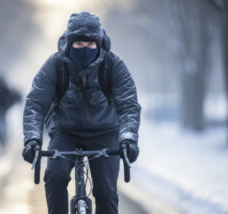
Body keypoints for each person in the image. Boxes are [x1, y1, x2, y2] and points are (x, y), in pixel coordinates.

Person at [22, 12, 141, 214]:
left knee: (106, 192)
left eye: (90, 44)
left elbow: (128, 104)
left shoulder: (113, 65)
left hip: (105, 133)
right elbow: (35, 103)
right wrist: (32, 138)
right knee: (55, 177)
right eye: (78, 44)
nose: (84, 49)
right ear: (69, 43)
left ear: (99, 43)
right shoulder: (55, 64)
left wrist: (128, 137)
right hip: (65, 132)